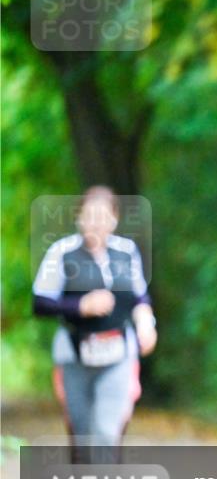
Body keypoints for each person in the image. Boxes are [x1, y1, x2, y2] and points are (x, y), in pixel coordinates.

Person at [32, 185, 157, 463]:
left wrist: (146, 323)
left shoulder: (126, 252)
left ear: (114, 219)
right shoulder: (62, 252)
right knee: (82, 435)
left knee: (106, 431)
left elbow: (139, 297)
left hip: (118, 354)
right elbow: (40, 303)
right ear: (78, 218)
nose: (95, 224)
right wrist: (81, 306)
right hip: (75, 355)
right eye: (89, 216)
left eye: (102, 217)